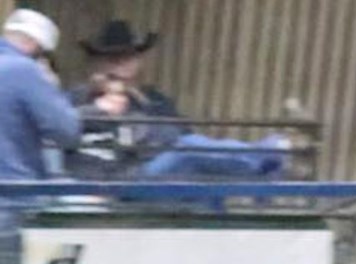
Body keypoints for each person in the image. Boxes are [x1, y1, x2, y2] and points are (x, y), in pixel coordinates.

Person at [67, 20, 291, 180]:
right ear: (96, 64)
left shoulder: (154, 102)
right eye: (111, 59)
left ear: (138, 62)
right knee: (190, 149)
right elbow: (56, 124)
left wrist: (138, 118)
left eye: (127, 58)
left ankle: (266, 162)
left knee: (197, 158)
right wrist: (98, 108)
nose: (119, 67)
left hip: (150, 175)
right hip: (112, 183)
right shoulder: (78, 97)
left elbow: (178, 136)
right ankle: (270, 153)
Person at [0, 9, 80, 264]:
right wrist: (51, 88)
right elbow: (67, 131)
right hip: (13, 200)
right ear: (36, 47)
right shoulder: (24, 71)